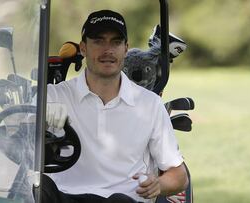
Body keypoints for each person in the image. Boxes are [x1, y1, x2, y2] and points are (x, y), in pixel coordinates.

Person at [43, 9, 189, 203]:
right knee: (39, 188)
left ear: (126, 48)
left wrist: (159, 184)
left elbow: (178, 176)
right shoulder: (52, 96)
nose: (108, 50)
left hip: (124, 198)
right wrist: (37, 117)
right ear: (83, 48)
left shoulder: (149, 104)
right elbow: (13, 145)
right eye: (98, 41)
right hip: (64, 196)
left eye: (116, 42)